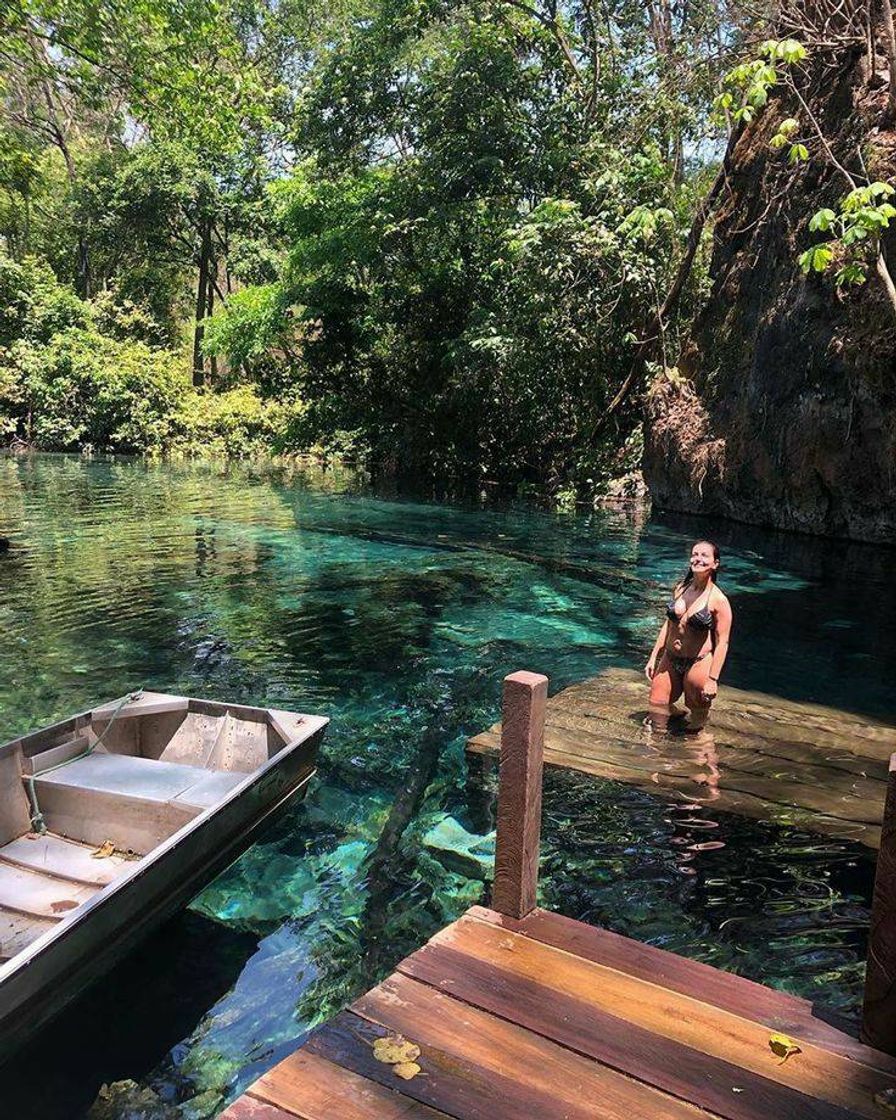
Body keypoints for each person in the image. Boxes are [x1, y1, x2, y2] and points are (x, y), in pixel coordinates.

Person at [645, 540, 732, 729]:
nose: (697, 559)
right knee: (657, 705)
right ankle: (655, 751)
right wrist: (653, 656)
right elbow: (668, 625)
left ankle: (699, 752)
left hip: (698, 662)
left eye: (704, 555)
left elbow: (723, 642)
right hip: (670, 658)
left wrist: (712, 680)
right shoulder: (681, 588)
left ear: (715, 563)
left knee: (697, 716)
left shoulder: (719, 600)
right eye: (695, 554)